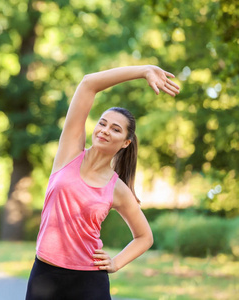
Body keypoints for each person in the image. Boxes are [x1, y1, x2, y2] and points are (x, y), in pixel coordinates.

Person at [25, 65, 180, 300]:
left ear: (125, 142)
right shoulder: (69, 153)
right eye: (103, 123)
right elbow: (88, 83)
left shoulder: (117, 189)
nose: (105, 130)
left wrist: (116, 262)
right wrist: (143, 70)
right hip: (45, 276)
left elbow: (144, 237)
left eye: (115, 129)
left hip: (89, 282)